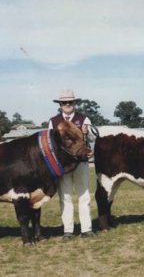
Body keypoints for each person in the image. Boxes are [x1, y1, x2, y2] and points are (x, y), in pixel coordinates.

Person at [48, 90, 96, 239]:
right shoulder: (53, 121)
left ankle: (86, 229)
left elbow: (93, 138)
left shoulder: (83, 119)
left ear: (75, 103)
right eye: (64, 103)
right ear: (60, 105)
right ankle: (68, 230)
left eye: (70, 102)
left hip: (80, 163)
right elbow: (50, 142)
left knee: (84, 196)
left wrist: (86, 132)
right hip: (63, 165)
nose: (67, 105)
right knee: (65, 197)